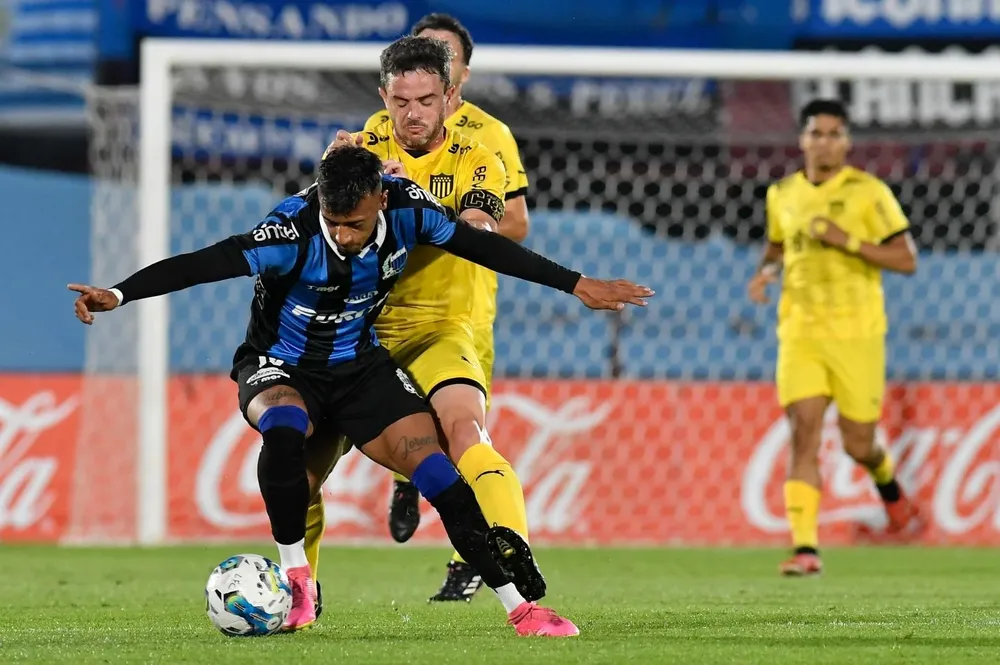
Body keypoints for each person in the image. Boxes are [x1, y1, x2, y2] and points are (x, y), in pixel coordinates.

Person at [69, 145, 651, 635]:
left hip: (360, 366)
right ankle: (297, 578)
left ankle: (519, 609)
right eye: (335, 221)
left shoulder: (408, 211)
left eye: (356, 223)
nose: (345, 235)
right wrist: (118, 295)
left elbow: (482, 247)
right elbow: (202, 263)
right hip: (280, 364)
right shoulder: (287, 233)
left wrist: (576, 284)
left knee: (437, 470)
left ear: (380, 200)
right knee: (286, 428)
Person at [304, 31, 537, 605]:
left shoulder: (481, 153)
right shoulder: (365, 143)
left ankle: (511, 552)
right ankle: (298, 591)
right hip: (361, 330)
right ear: (385, 96)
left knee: (464, 431)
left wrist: (413, 197)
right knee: (299, 465)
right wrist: (331, 180)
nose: (413, 113)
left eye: (426, 101)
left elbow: (485, 233)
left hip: (442, 325)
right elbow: (329, 225)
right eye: (401, 101)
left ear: (451, 98)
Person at [747, 99, 923, 577]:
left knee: (858, 445)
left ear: (846, 142)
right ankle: (807, 549)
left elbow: (906, 258)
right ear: (803, 140)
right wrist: (764, 272)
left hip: (857, 335)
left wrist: (847, 241)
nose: (825, 142)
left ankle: (886, 482)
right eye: (817, 133)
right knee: (803, 432)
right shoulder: (781, 193)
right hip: (801, 332)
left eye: (835, 133)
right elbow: (778, 244)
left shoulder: (869, 193)